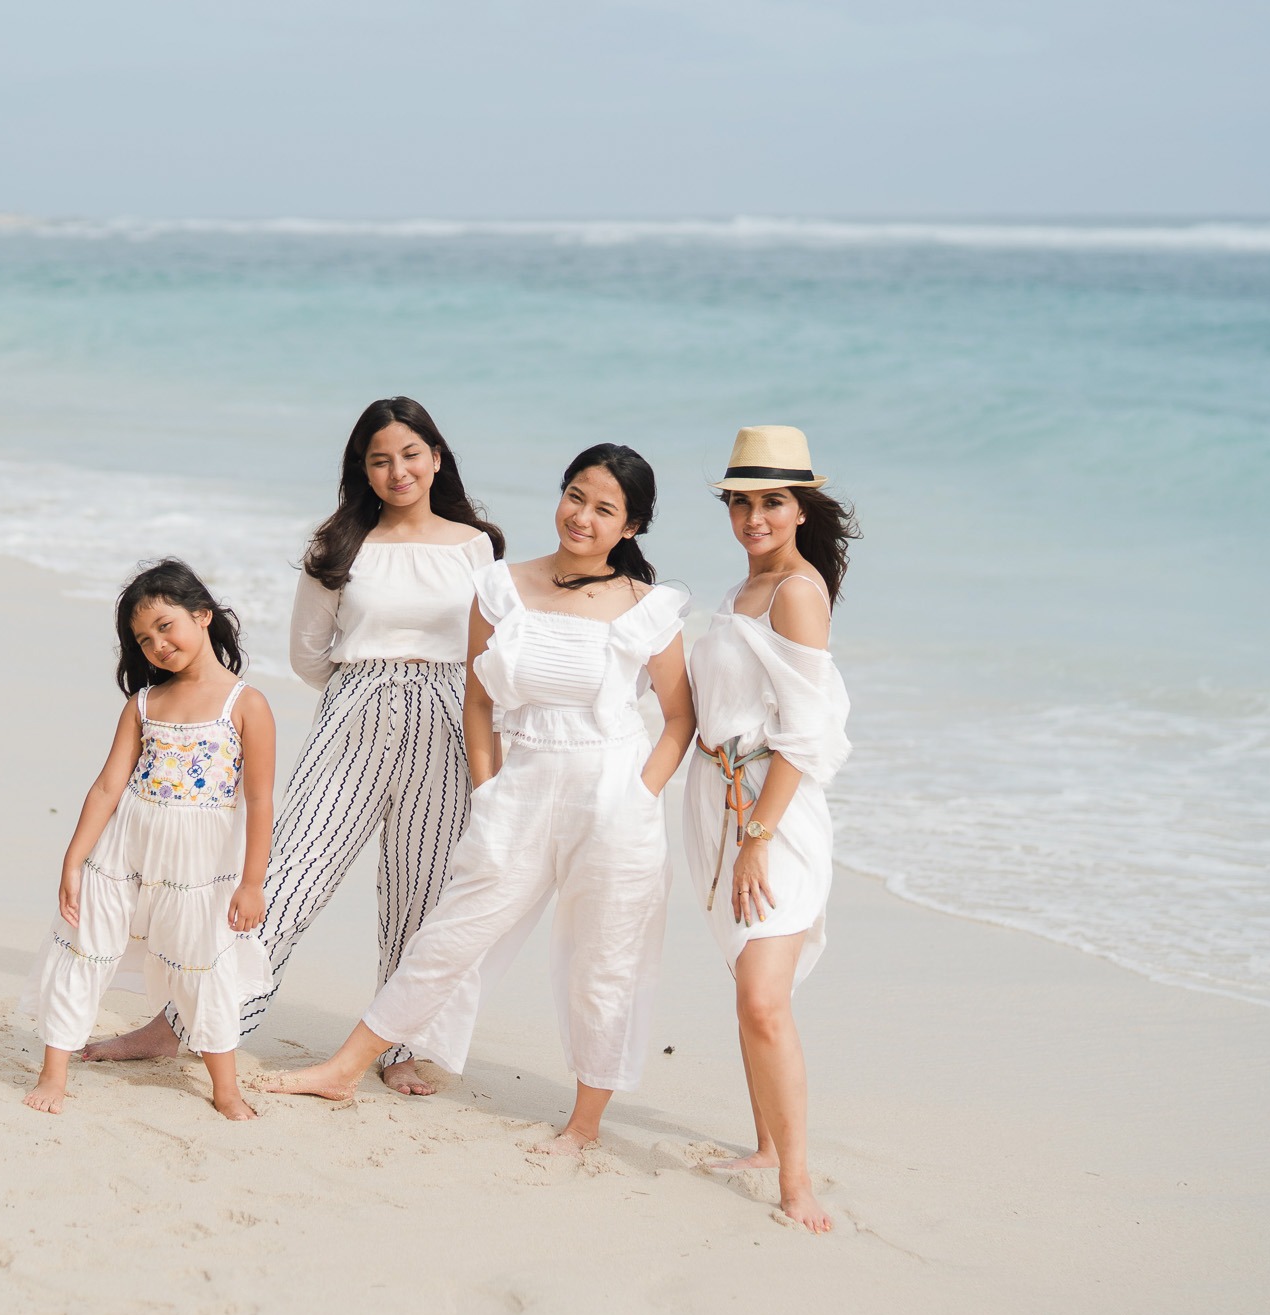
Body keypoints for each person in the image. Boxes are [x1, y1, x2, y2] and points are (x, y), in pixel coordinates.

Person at [262, 444, 694, 1155]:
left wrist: (640, 797)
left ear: (632, 527)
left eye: (604, 509)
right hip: (521, 787)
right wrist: (489, 789)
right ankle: (344, 1068)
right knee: (449, 934)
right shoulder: (501, 586)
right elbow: (478, 700)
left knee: (604, 961)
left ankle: (584, 1125)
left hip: (614, 796)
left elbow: (679, 718)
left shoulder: (650, 609)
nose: (582, 516)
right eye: (575, 495)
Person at [81, 397, 505, 1097]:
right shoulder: (339, 546)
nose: (397, 470)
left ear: (436, 457)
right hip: (357, 709)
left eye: (410, 454)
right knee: (286, 876)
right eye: (379, 460)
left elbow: (487, 654)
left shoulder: (476, 546)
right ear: (362, 470)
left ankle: (399, 1046)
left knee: (421, 890)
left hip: (447, 715)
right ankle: (182, 1023)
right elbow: (310, 653)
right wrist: (367, 689)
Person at [21, 559, 276, 1121]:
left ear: (202, 615)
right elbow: (107, 786)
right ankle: (53, 1072)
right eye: (143, 639)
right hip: (120, 853)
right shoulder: (143, 704)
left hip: (197, 865)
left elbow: (260, 801)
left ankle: (225, 1088)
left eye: (165, 626)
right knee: (85, 946)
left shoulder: (246, 705)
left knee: (201, 962)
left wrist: (252, 882)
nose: (157, 645)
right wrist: (73, 860)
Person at [683, 425, 856, 1229]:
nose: (754, 518)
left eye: (772, 502)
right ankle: (762, 1144)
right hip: (722, 805)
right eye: (741, 502)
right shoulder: (740, 591)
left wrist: (757, 836)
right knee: (748, 979)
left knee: (762, 997)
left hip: (771, 815)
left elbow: (804, 732)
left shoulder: (796, 591)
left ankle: (798, 1182)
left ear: (801, 508)